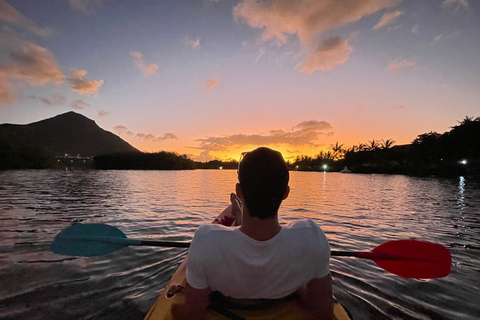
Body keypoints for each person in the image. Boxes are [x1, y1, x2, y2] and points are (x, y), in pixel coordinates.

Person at [173, 147, 332, 319]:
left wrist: (175, 310)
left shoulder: (206, 240)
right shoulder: (311, 238)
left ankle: (239, 220)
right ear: (286, 192)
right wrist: (298, 285)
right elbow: (322, 312)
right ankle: (239, 220)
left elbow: (191, 313)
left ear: (239, 191)